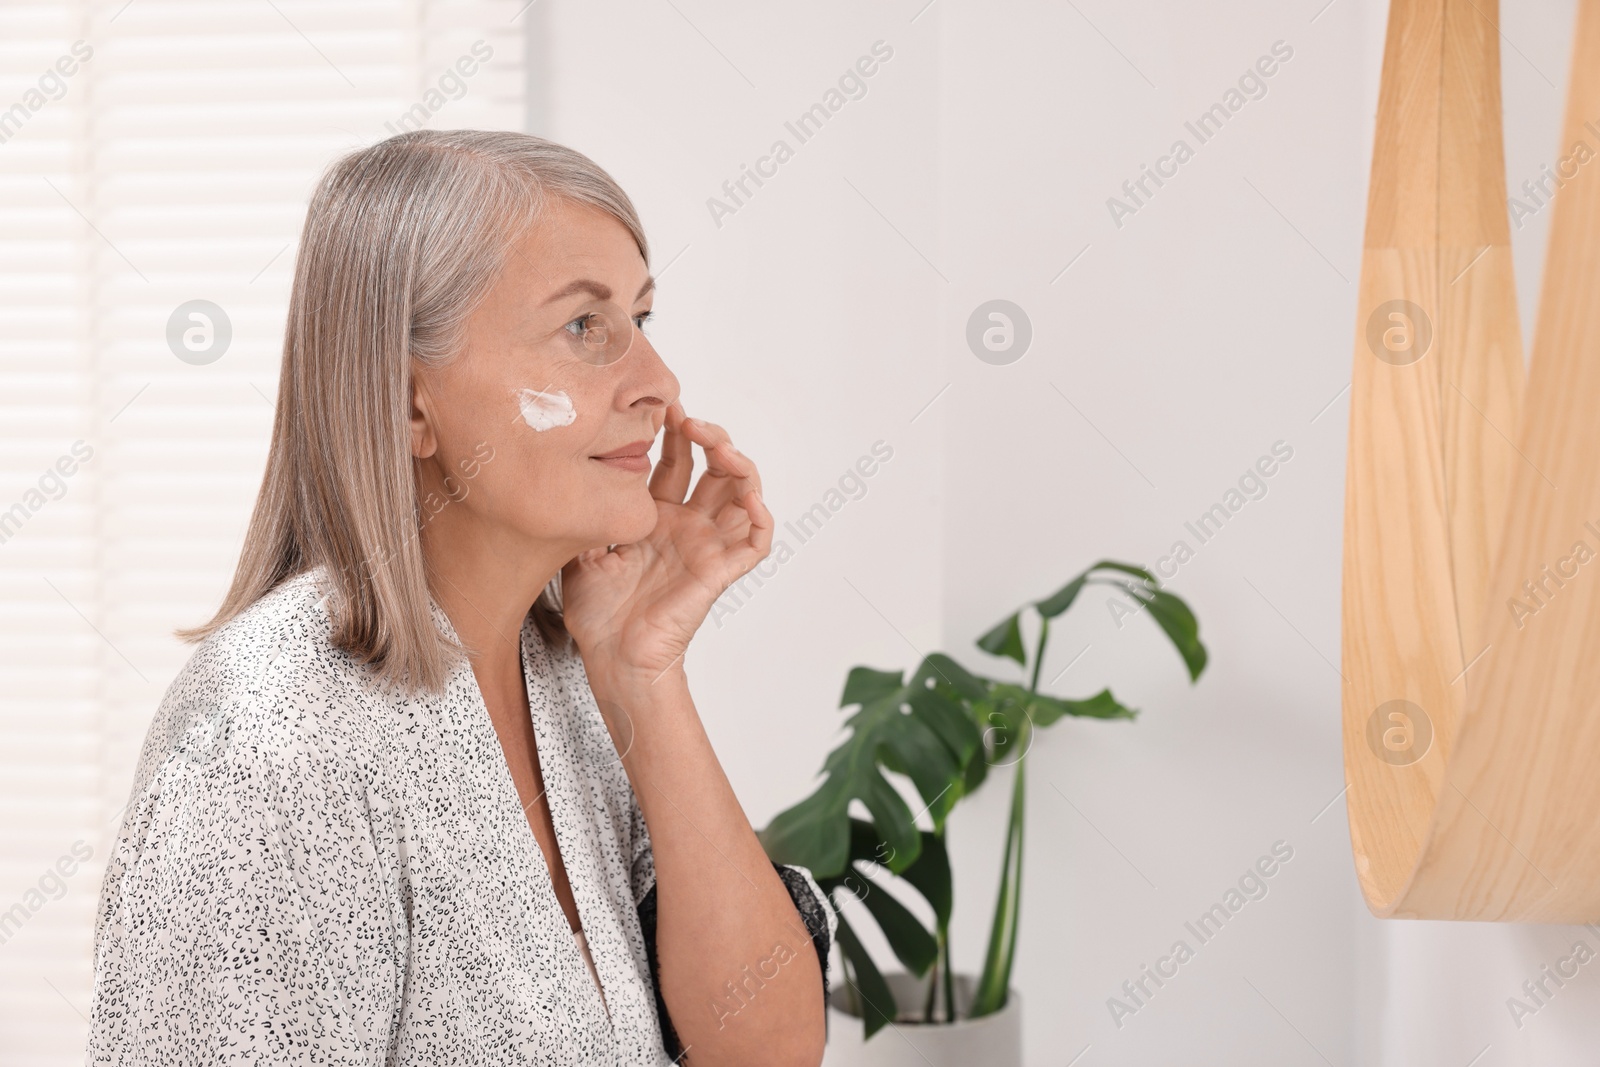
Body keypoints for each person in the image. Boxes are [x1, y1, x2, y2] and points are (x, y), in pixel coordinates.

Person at [85, 129, 835, 1066]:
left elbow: (767, 1049)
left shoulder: (561, 672)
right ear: (409, 403)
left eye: (642, 321)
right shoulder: (269, 742)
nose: (658, 384)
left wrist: (643, 671)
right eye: (582, 327)